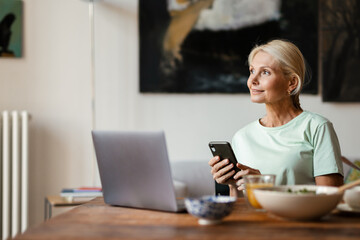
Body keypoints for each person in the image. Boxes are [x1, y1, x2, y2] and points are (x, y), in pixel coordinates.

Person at [208, 39, 344, 197]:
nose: (252, 81)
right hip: (253, 221)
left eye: (265, 72)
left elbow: (331, 198)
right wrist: (232, 185)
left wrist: (265, 187)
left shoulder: (317, 127)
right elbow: (239, 205)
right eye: (252, 71)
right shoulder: (242, 137)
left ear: (291, 82)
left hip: (299, 221)